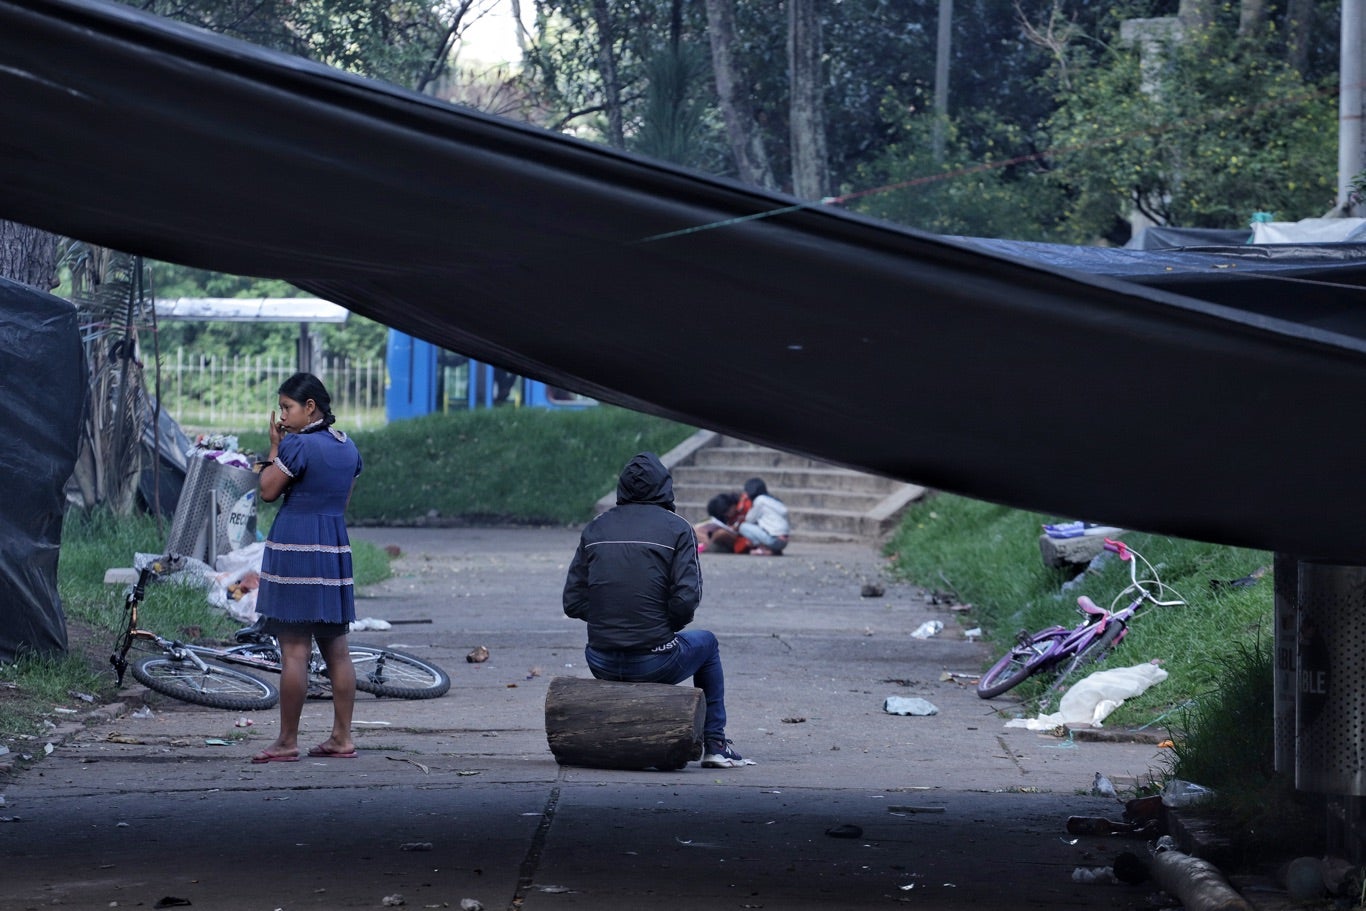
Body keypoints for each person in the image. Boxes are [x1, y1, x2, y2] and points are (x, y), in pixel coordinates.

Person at [563, 452, 750, 768]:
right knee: (708, 643)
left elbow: (573, 602)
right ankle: (716, 743)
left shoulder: (596, 527)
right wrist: (659, 628)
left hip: (600, 659)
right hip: (655, 660)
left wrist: (611, 618)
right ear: (665, 487)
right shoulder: (678, 529)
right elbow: (686, 600)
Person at [249, 372, 364, 763]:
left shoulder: (297, 445)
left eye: (287, 407)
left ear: (310, 407)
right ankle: (342, 737)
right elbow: (342, 501)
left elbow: (267, 490)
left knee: (294, 650)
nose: (282, 415)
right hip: (333, 548)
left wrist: (274, 448)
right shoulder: (348, 446)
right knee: (337, 650)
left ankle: (286, 741)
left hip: (296, 547)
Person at [737, 477, 789, 556]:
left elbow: (749, 519)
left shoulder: (760, 501)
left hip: (773, 540)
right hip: (784, 541)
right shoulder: (774, 501)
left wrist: (743, 501)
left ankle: (763, 548)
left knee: (743, 527)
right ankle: (773, 550)